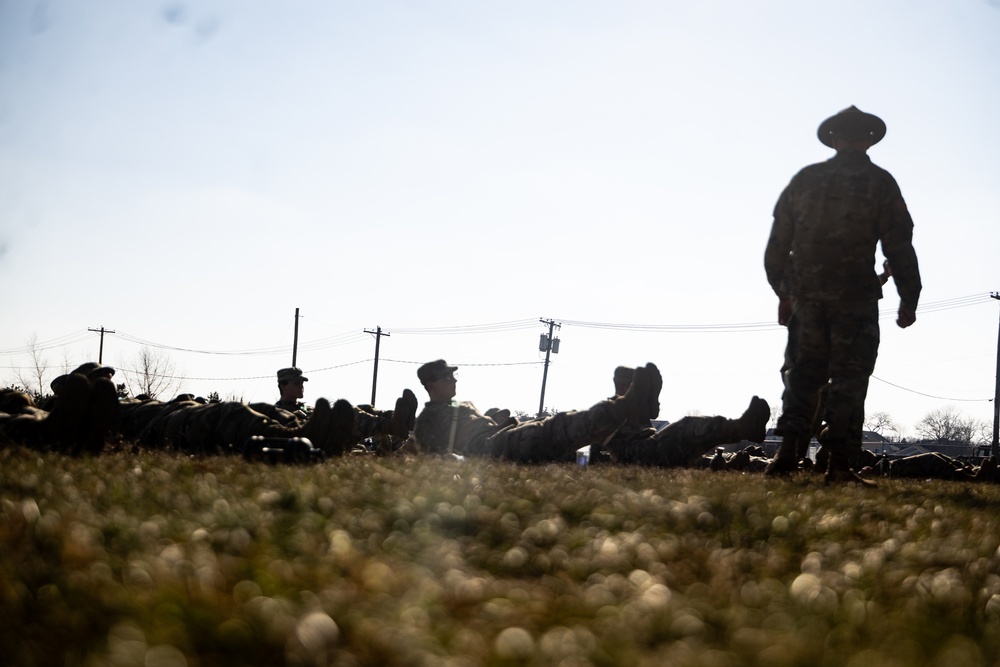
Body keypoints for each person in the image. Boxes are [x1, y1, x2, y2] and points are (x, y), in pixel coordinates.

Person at [764, 105, 922, 484]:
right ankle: (838, 466)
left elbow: (777, 245)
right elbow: (898, 245)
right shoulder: (880, 182)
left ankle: (786, 457)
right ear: (869, 139)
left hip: (808, 296)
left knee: (802, 375)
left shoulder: (806, 179)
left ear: (833, 138)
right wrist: (908, 297)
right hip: (855, 299)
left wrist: (784, 293)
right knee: (849, 378)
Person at [412, 359, 770, 465]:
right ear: (433, 384)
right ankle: (625, 406)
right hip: (489, 450)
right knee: (557, 427)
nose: (454, 380)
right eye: (448, 377)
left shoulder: (460, 406)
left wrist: (501, 419)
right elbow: (434, 452)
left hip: (502, 438)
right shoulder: (429, 418)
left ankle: (739, 426)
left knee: (687, 428)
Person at [253, 366, 419, 453]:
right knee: (351, 413)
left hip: (329, 434)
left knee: (365, 408)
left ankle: (398, 420)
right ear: (283, 386)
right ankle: (392, 425)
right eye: (297, 383)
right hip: (323, 441)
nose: (301, 387)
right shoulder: (280, 410)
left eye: (302, 383)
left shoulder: (304, 406)